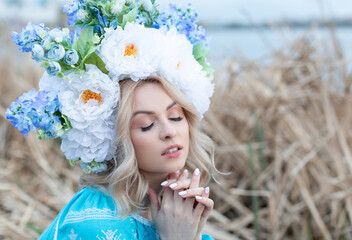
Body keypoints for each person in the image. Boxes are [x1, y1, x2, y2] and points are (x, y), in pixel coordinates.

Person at [6, 1, 217, 239]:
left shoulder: (180, 210)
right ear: (114, 138)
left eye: (176, 116)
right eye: (147, 124)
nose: (169, 131)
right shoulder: (95, 225)